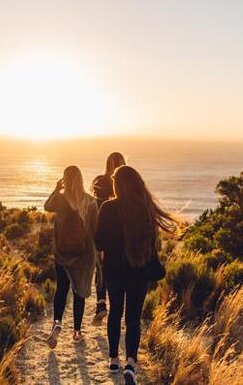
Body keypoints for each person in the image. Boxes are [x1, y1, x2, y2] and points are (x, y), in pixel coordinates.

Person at [95, 165, 177, 385]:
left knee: (114, 313)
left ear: (117, 184)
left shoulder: (108, 208)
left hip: (113, 271)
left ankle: (114, 359)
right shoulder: (145, 209)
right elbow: (151, 244)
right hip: (139, 272)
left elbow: (99, 242)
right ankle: (131, 363)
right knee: (133, 318)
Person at [44, 165, 99, 348]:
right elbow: (95, 230)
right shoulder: (91, 202)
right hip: (83, 255)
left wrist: (56, 189)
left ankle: (57, 323)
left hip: (62, 253)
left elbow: (46, 206)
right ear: (82, 180)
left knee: (61, 289)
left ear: (65, 180)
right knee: (79, 293)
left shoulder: (60, 199)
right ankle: (76, 332)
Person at [91, 152, 127, 324]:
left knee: (101, 269)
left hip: (102, 232)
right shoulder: (128, 184)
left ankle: (101, 304)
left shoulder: (98, 181)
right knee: (120, 271)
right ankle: (116, 310)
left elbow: (93, 206)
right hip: (123, 235)